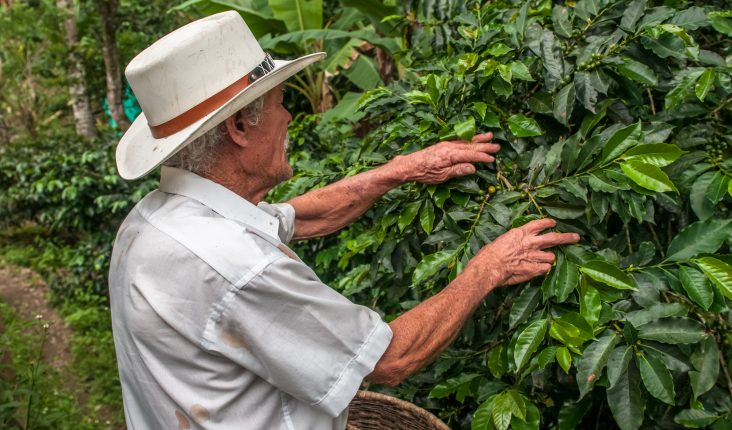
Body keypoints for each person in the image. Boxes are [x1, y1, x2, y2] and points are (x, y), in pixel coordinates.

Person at [109, 11, 580, 430]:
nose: (290, 116)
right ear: (239, 128)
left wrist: (399, 171)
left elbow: (298, 216)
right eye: (279, 105)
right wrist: (489, 268)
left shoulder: (156, 218)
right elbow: (390, 359)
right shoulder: (234, 265)